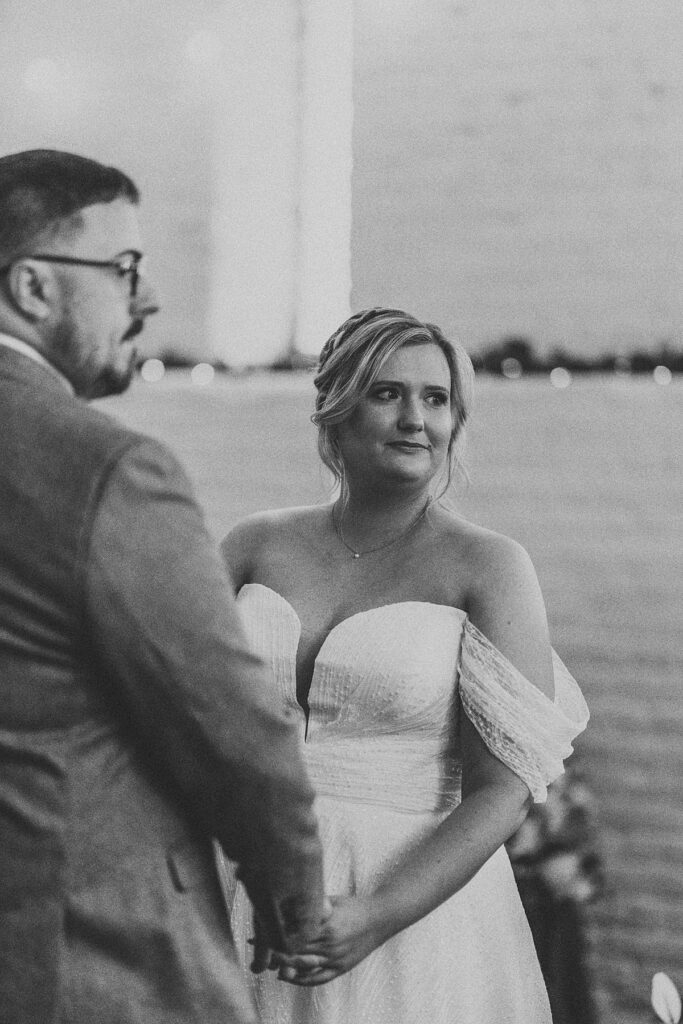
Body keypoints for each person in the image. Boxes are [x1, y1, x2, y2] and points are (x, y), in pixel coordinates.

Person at [0, 148, 326, 1024]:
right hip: (84, 953)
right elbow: (230, 725)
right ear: (32, 287)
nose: (145, 300)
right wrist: (296, 909)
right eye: (124, 269)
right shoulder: (104, 468)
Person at [220, 307, 590, 1024]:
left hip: (409, 905)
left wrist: (376, 915)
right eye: (387, 392)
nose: (415, 418)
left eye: (436, 398)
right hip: (240, 879)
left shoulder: (488, 568)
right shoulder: (252, 544)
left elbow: (502, 790)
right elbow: (177, 711)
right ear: (336, 406)